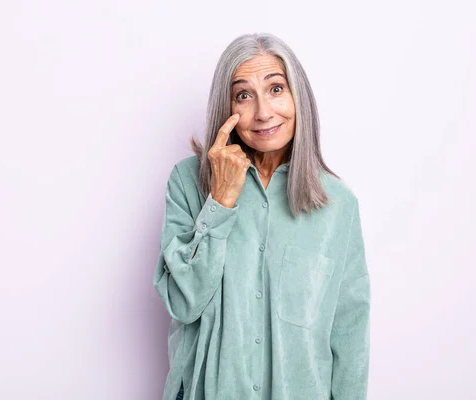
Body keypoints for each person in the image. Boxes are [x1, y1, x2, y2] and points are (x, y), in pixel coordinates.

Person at [153, 32, 370, 400]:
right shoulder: (188, 183)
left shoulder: (338, 204)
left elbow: (349, 333)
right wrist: (219, 202)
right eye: (243, 95)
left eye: (275, 89)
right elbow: (181, 301)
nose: (263, 112)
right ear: (227, 106)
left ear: (298, 96)